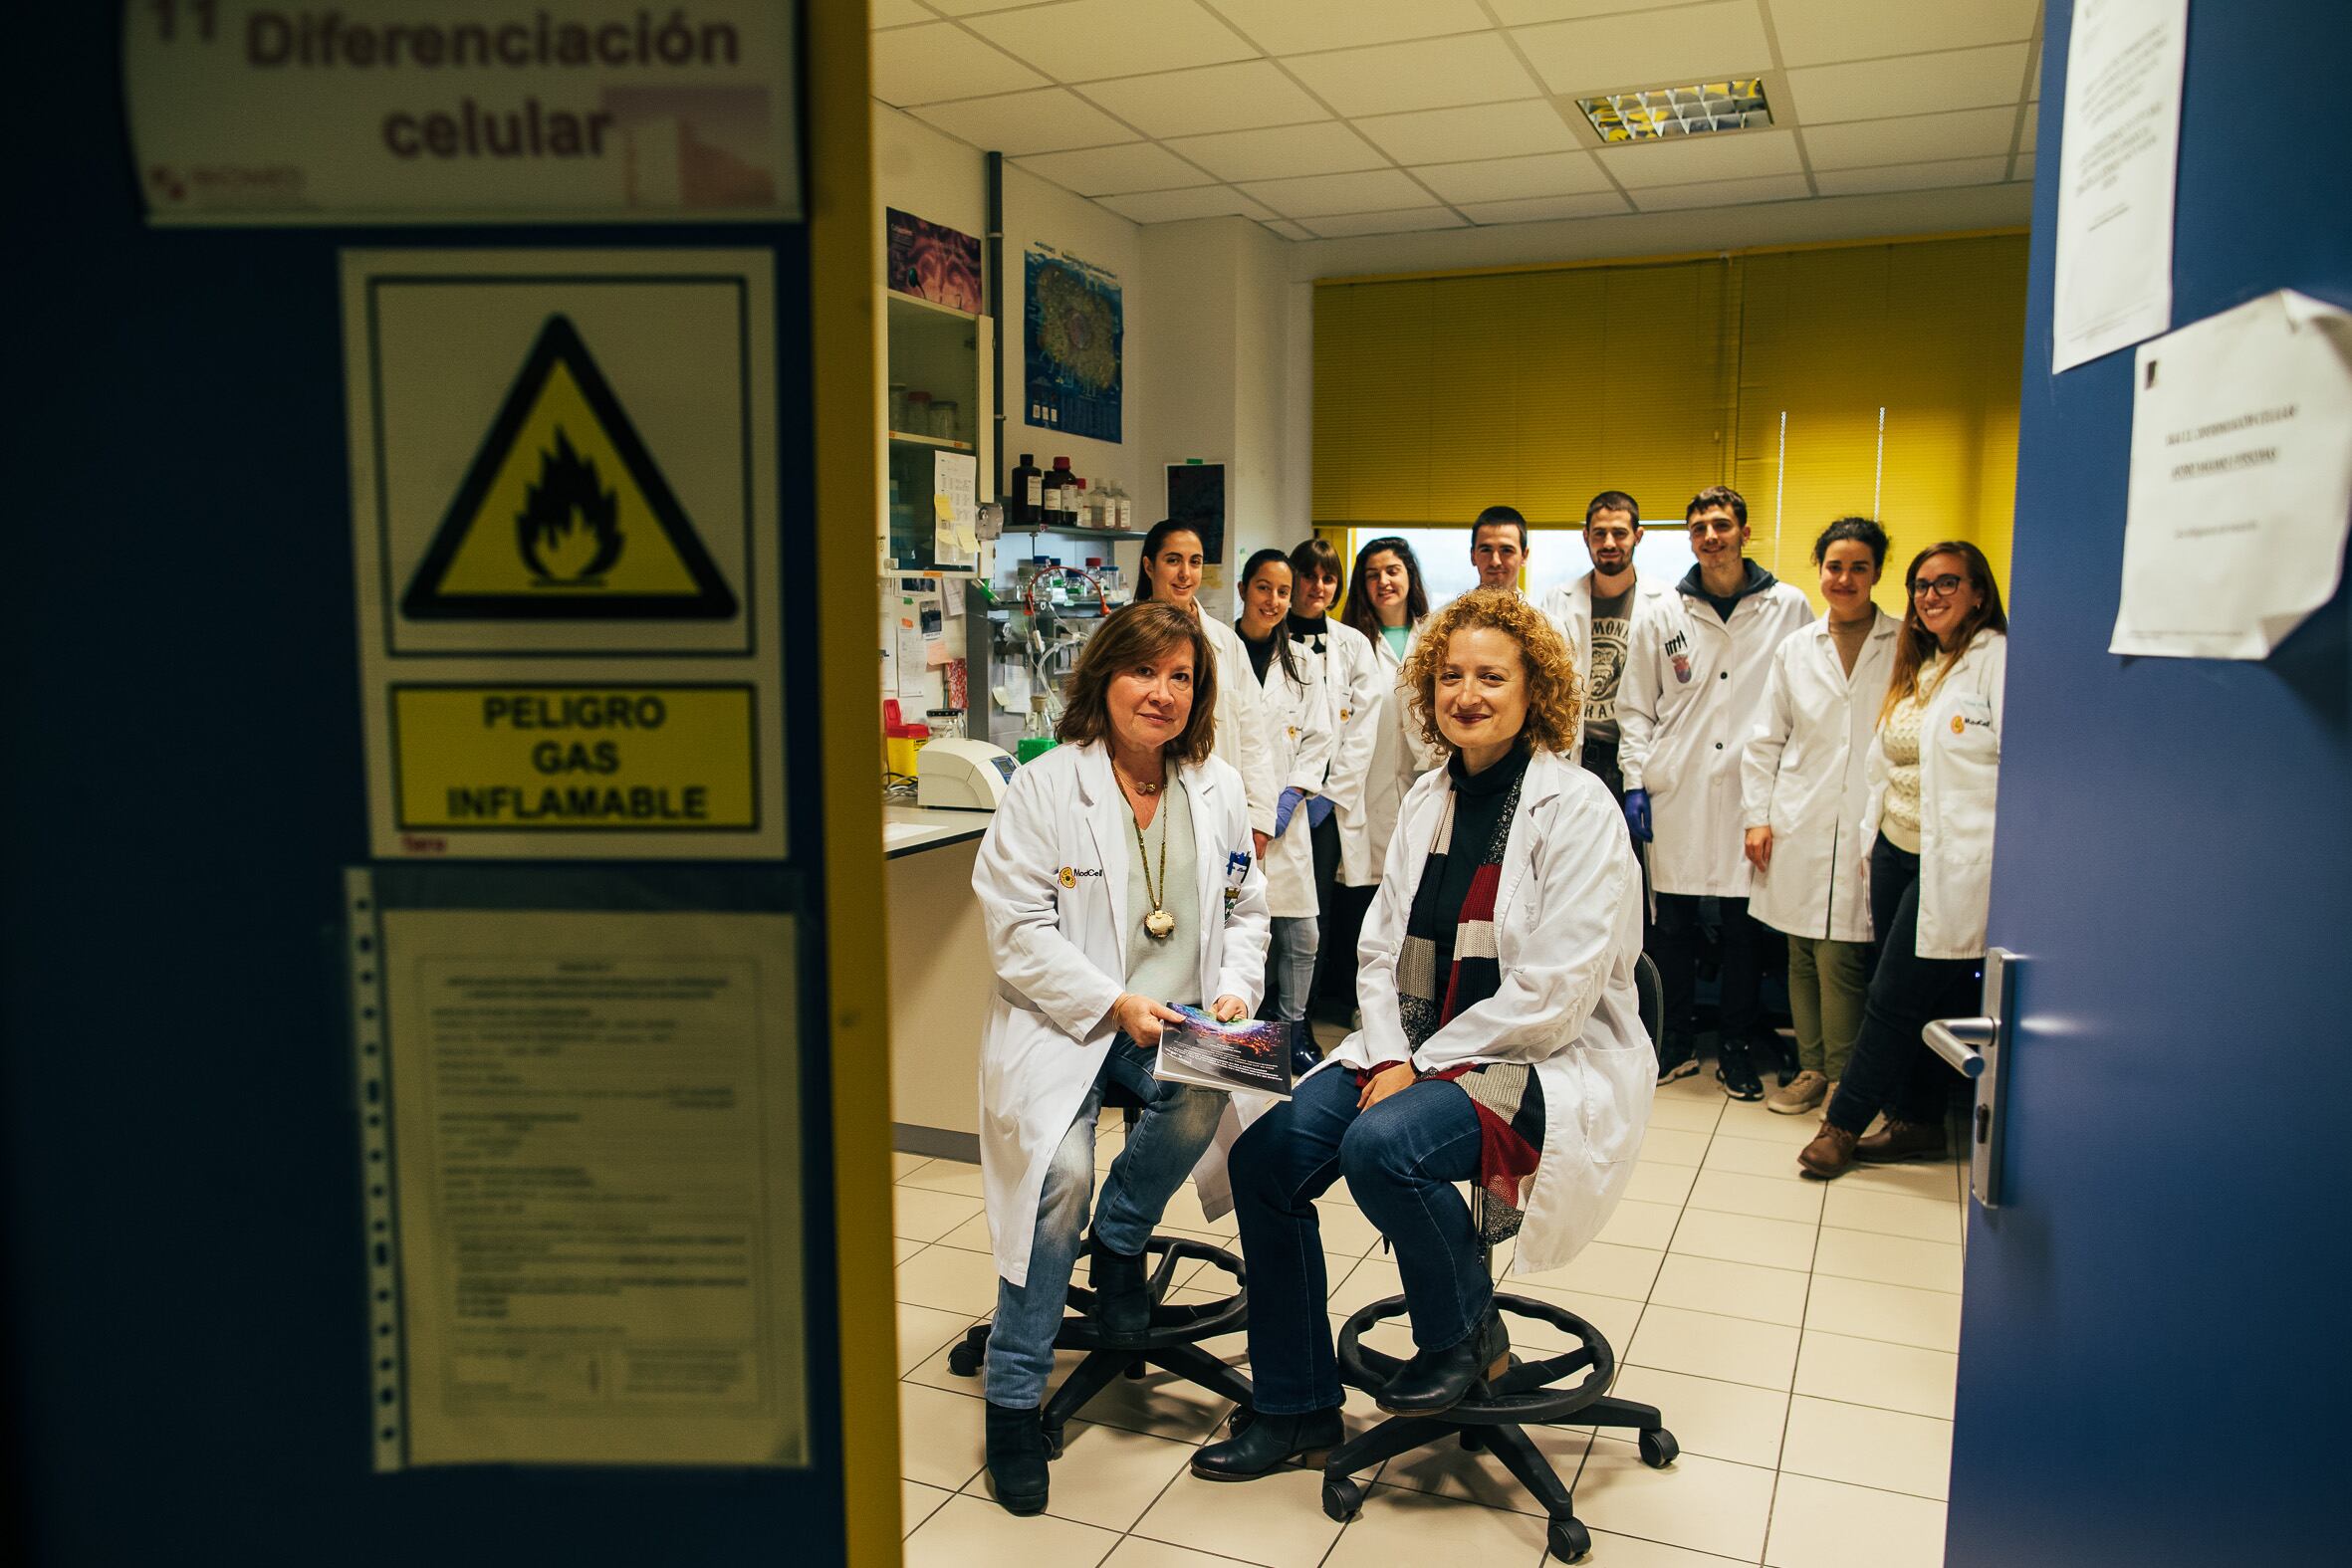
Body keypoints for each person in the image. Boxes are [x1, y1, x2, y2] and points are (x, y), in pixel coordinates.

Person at [1190, 589, 1651, 1478]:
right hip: (1407, 1044)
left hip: (1533, 1059)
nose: (1466, 692)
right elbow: (1377, 950)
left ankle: (1462, 1334)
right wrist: (1395, 1053)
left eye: (1492, 676)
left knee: (1381, 1146)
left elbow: (1553, 993)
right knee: (1266, 1158)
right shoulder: (1428, 798)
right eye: (1450, 675)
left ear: (1535, 692)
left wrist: (1423, 1065)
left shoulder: (1578, 808)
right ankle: (1295, 1406)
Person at [969, 601, 1273, 1514]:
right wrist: (1113, 1001)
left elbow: (1247, 908)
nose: (1164, 692)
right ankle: (1013, 1399)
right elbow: (1015, 931)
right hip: (1066, 1025)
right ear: (1105, 677)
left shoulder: (1214, 786)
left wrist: (1234, 992)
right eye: (1146, 672)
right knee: (1059, 1179)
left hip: (1174, 1019)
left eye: (1182, 677)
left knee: (1213, 1081)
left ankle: (1123, 1235)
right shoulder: (1048, 785)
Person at [1799, 543, 2006, 1178]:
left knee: (1889, 997)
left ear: (1978, 592)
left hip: (1954, 860)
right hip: (1894, 850)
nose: (1931, 595)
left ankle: (1843, 1124)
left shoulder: (1997, 659)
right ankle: (1916, 1120)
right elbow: (1886, 761)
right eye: (1921, 585)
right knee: (1921, 999)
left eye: (1948, 583)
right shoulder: (1922, 663)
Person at [1619, 485, 1813, 1099]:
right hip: (1677, 789)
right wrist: (1634, 783)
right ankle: (1674, 1042)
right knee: (1670, 927)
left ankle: (1734, 1046)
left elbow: (1805, 702)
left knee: (1741, 928)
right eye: (1699, 526)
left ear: (1744, 533)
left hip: (1754, 796)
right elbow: (1634, 709)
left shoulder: (1789, 607)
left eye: (1722, 524)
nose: (1711, 536)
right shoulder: (1662, 614)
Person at [1741, 519, 1901, 1117]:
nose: (1845, 579)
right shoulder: (1795, 647)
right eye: (1835, 567)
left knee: (1842, 955)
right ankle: (1810, 1068)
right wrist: (1757, 817)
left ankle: (1844, 1078)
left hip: (1869, 814)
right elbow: (1765, 740)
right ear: (1821, 571)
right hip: (1799, 816)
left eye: (1859, 567)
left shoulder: (1905, 641)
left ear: (1877, 573)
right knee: (1800, 949)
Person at [1317, 535, 1433, 1025]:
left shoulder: (1435, 634)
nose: (1384, 582)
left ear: (1409, 576)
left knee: (1414, 897)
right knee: (1362, 899)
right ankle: (1357, 1000)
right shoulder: (1349, 643)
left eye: (1392, 571)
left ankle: (1410, 998)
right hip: (1363, 790)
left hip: (1423, 785)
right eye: (1372, 574)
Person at [1235, 548, 1333, 1067]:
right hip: (1230, 816)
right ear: (1244, 589)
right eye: (1263, 588)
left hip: (1285, 822)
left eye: (1282, 592)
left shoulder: (1304, 662)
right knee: (1238, 932)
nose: (1273, 600)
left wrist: (1289, 799)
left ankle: (1292, 1028)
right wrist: (1248, 812)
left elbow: (1320, 738)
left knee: (1302, 934)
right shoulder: (1216, 651)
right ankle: (1238, 1031)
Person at [1284, 537, 1383, 1042]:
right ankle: (1258, 1016)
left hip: (1325, 806)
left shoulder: (1352, 644)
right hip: (1274, 799)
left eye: (1328, 578)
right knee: (1262, 913)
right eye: (1308, 576)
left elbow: (1362, 728)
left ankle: (1300, 1020)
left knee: (1313, 916)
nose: (1317, 587)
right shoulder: (1265, 638)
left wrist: (1326, 795)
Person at [1135, 518, 1280, 856]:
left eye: (1195, 562)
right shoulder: (1122, 639)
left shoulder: (1225, 642)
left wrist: (1259, 818)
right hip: (1142, 797)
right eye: (1173, 560)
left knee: (1222, 904)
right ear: (1148, 566)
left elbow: (1254, 736)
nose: (1185, 573)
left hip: (1219, 806)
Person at [1537, 490, 1672, 804]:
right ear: (1586, 536)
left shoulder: (1666, 602)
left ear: (1638, 536)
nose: (1609, 543)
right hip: (1580, 752)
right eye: (1600, 533)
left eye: (1620, 533)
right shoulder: (1558, 600)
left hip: (1639, 753)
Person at [1470, 505, 1530, 592]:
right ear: (1473, 556)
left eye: (1507, 550)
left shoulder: (1534, 607)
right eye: (1486, 550)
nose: (1495, 562)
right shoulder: (1452, 607)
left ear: (1524, 556)